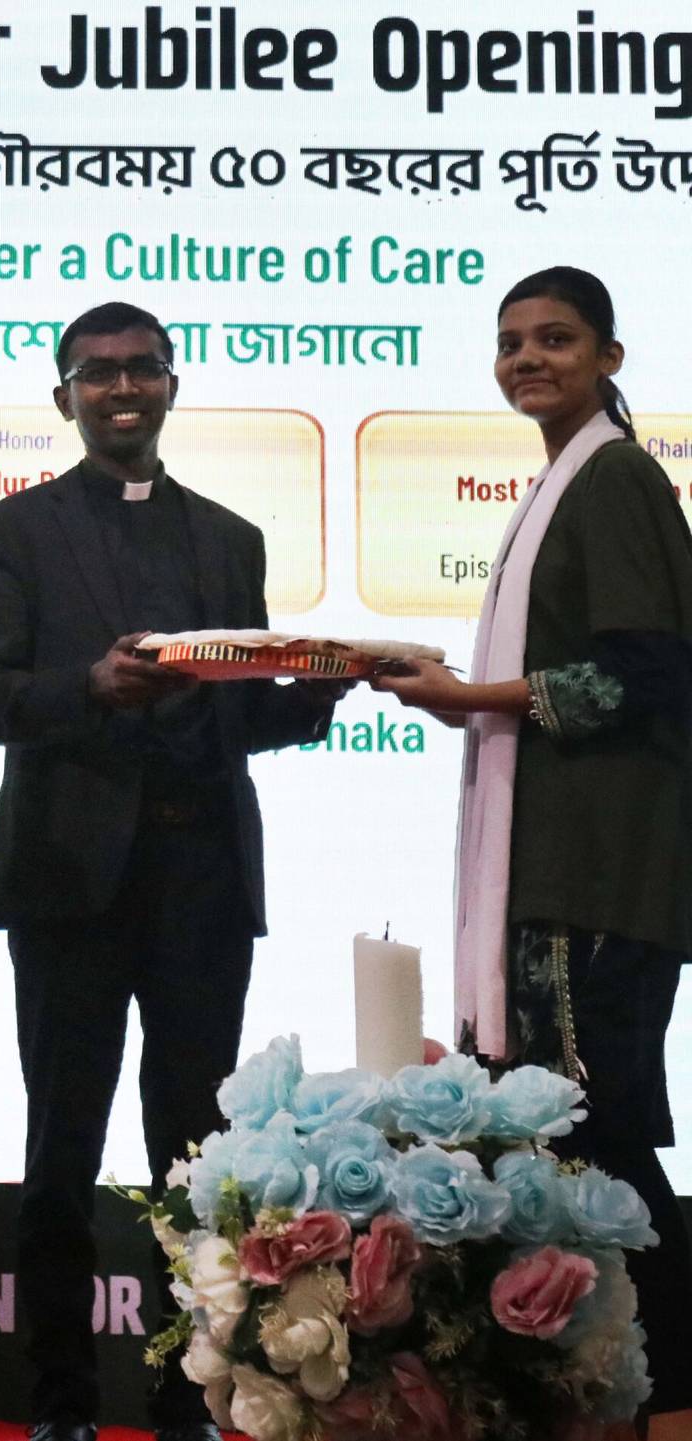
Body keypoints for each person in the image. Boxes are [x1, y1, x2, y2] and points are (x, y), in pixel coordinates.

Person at [0, 301, 338, 1441]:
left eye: (142, 370)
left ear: (172, 384)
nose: (122, 388)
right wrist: (93, 687)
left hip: (202, 879)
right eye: (98, 372)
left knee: (196, 1157)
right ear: (64, 394)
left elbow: (237, 718)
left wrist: (309, 704)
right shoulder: (7, 534)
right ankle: (61, 1407)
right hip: (71, 880)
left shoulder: (230, 538)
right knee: (61, 1149)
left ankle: (198, 1400)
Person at [373, 266, 692, 1441]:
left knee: (604, 1146)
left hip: (599, 872)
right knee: (578, 1145)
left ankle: (676, 1401)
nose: (528, 360)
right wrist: (472, 698)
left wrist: (475, 696)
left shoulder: (612, 477)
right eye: (510, 343)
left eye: (556, 339)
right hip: (565, 867)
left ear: (610, 357)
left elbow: (644, 673)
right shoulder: (564, 478)